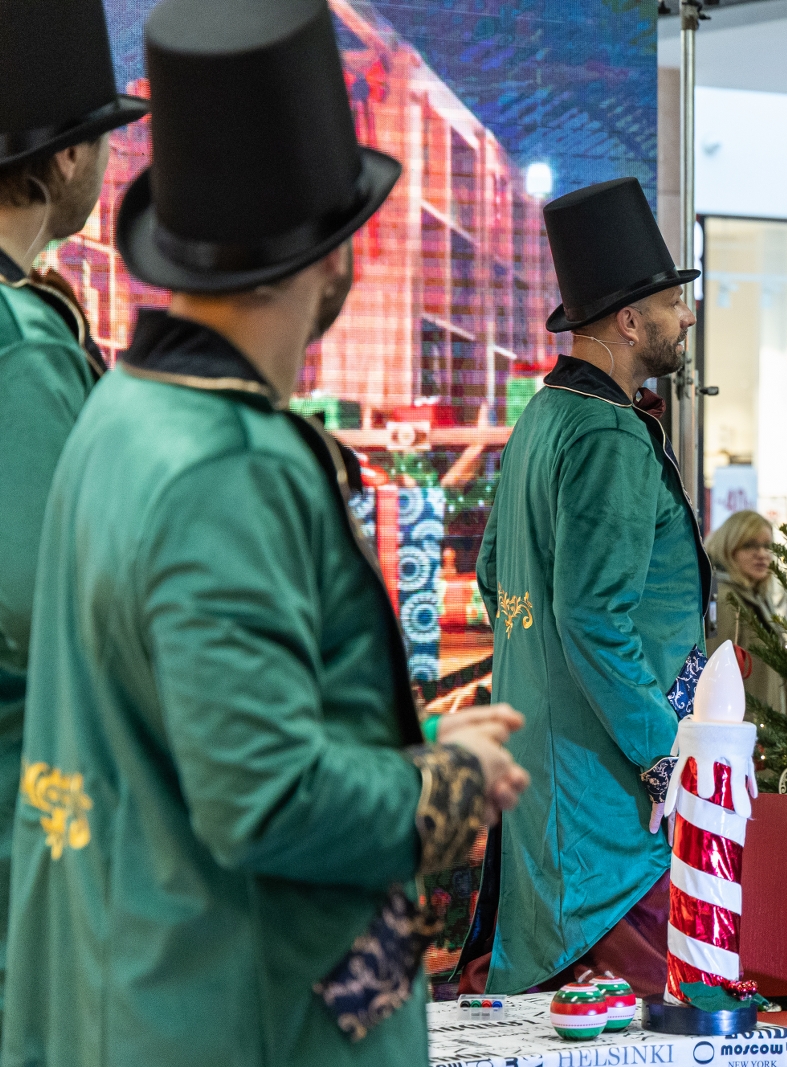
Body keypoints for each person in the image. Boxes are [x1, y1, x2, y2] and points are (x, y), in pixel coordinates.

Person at [3, 3, 530, 1065]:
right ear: (329, 259)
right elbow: (263, 793)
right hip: (232, 1012)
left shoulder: (120, 416)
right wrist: (443, 782)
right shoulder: (222, 464)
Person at [461, 176, 707, 997]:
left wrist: (546, 677)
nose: (688, 316)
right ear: (629, 319)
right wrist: (666, 754)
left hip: (548, 781)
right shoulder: (605, 432)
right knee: (645, 1030)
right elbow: (594, 618)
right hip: (610, 817)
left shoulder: (544, 416)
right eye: (674, 302)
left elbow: (497, 573)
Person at [0, 0, 149, 1027]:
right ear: (54, 162)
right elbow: (49, 600)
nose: (109, 158)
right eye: (99, 135)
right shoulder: (23, 338)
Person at [706, 509, 787, 713]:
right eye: (750, 545)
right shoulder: (726, 598)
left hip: (762, 731)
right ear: (729, 549)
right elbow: (715, 673)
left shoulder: (757, 597)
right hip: (742, 732)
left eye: (767, 546)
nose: (761, 554)